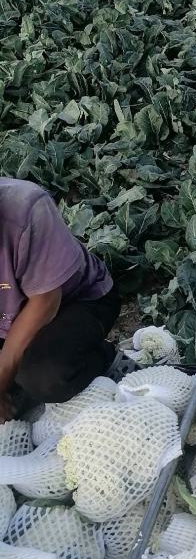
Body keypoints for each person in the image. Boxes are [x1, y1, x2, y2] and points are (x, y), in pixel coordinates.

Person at [0, 177, 121, 420]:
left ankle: (104, 357)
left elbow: (45, 303)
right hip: (7, 318)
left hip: (76, 302)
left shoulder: (27, 207)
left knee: (43, 377)